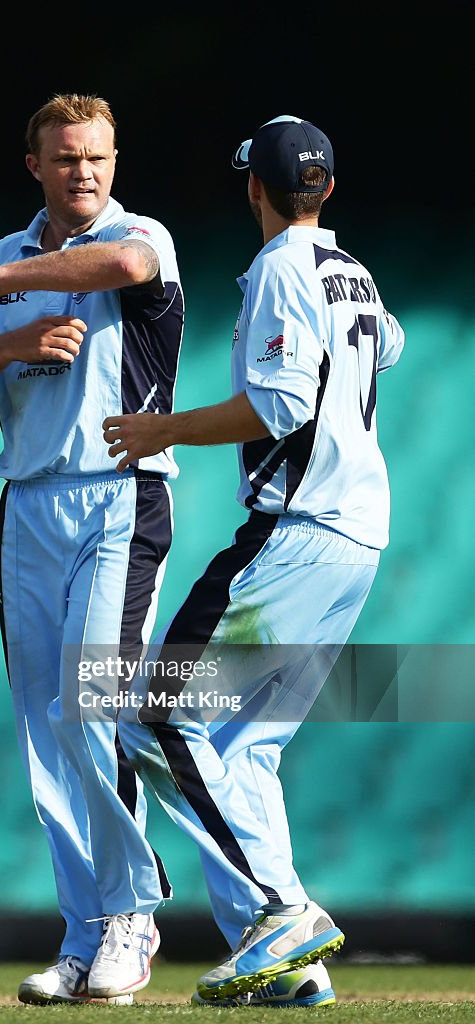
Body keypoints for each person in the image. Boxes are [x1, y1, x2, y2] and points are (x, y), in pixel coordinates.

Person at [101, 114, 405, 1006]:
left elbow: (274, 404)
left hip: (298, 525)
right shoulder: (351, 271)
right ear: (328, 189)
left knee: (153, 713)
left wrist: (166, 429)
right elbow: (386, 344)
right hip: (358, 533)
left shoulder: (280, 267)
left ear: (253, 189)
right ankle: (287, 967)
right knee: (246, 747)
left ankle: (280, 910)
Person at [0, 93, 185, 1004]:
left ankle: (131, 913)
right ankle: (83, 932)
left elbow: (121, 264)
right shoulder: (1, 258)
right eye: (65, 159)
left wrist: (3, 290)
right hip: (28, 503)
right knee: (42, 732)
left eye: (96, 157)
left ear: (114, 160)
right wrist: (8, 337)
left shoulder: (141, 232)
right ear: (36, 166)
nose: (83, 173)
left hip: (120, 495)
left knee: (86, 707)